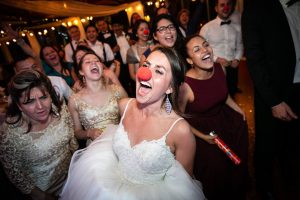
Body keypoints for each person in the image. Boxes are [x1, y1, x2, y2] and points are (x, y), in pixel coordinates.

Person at [60, 47, 206, 200]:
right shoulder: (124, 106)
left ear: (170, 87)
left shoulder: (180, 131)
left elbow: (183, 189)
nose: (146, 73)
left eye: (159, 71)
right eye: (146, 65)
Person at [242, 0, 300, 199]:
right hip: (274, 93)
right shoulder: (256, 6)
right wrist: (273, 101)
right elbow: (254, 57)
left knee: (294, 146)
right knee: (267, 148)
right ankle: (264, 190)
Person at [179, 35, 248, 200]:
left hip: (225, 122)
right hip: (203, 133)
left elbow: (224, 95)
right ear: (189, 60)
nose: (205, 50)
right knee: (215, 175)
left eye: (205, 45)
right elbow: (179, 118)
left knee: (235, 166)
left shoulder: (220, 68)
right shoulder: (185, 86)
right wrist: (203, 137)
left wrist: (239, 109)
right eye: (197, 49)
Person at [0, 70, 78, 200]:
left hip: (74, 177)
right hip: (46, 192)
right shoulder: (9, 134)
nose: (40, 106)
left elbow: (72, 141)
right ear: (19, 105)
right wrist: (42, 196)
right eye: (29, 101)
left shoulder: (60, 110)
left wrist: (78, 167)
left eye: (43, 97)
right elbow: (16, 175)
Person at [68, 51, 127, 146]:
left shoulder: (118, 91)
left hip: (121, 142)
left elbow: (130, 117)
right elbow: (77, 132)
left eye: (97, 60)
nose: (93, 63)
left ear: (102, 68)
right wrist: (88, 133)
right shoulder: (74, 100)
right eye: (87, 62)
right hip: (95, 149)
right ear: (81, 71)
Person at [200, 0, 243, 97]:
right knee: (216, 97)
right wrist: (217, 59)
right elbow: (202, 50)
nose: (226, 7)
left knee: (232, 95)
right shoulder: (207, 28)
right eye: (222, 5)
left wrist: (237, 58)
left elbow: (240, 45)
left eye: (228, 4)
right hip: (215, 69)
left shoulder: (237, 27)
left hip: (233, 69)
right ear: (216, 8)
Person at [126, 19, 151, 96]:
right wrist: (144, 84)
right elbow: (132, 74)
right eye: (141, 29)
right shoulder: (131, 50)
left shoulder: (154, 47)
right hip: (140, 87)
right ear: (136, 33)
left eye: (146, 29)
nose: (145, 32)